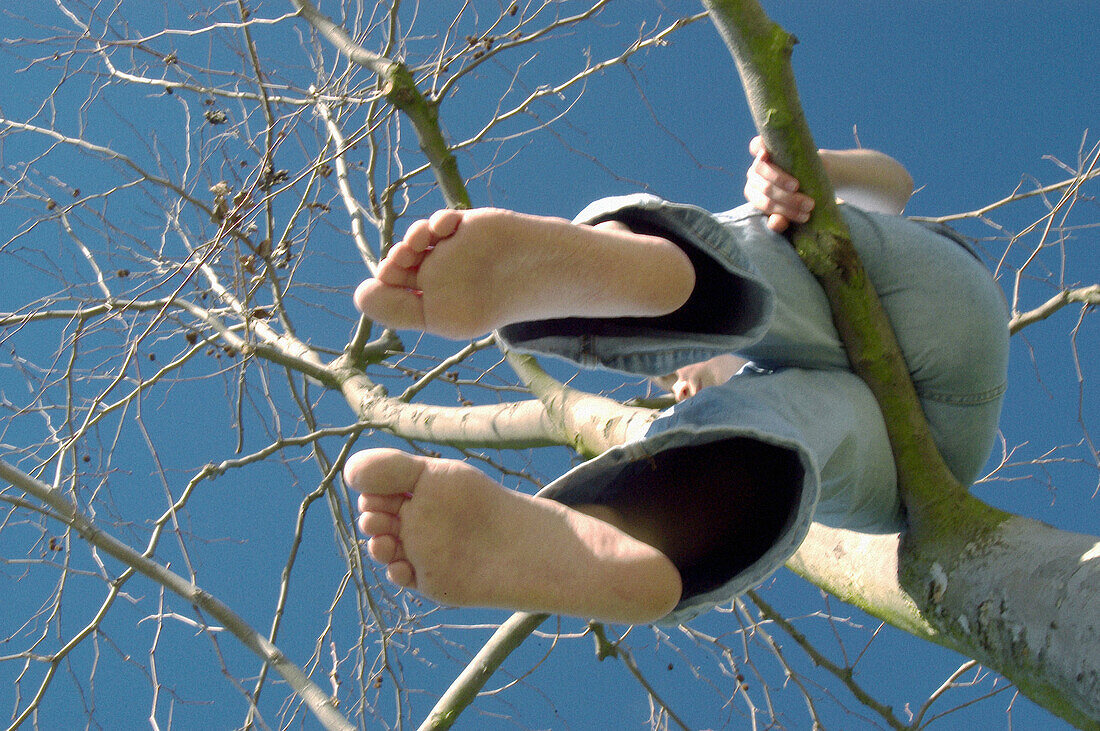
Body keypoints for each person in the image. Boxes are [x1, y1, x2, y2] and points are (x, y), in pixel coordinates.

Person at [342, 138, 1010, 625]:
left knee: (771, 248)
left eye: (675, 372)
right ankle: (622, 526)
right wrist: (707, 397)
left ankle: (659, 269)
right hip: (901, 476)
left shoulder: (802, 257)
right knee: (784, 424)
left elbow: (893, 184)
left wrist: (812, 169)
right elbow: (770, 400)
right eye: (676, 380)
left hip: (940, 321)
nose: (678, 387)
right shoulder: (763, 387)